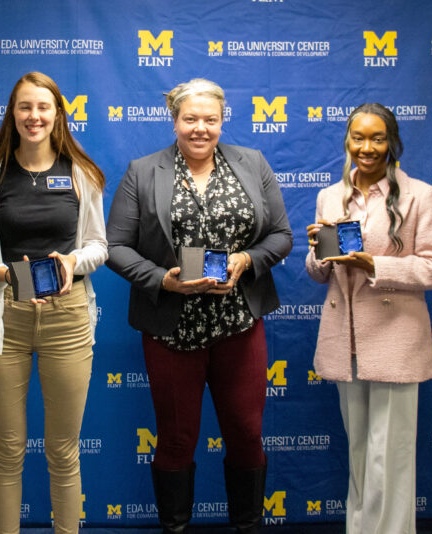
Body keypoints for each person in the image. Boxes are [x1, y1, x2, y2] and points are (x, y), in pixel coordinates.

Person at [106, 78, 292, 534]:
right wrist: (162, 281)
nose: (200, 129)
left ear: (222, 120)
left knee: (247, 434)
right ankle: (176, 527)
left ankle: (247, 525)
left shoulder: (253, 163)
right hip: (172, 330)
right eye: (190, 119)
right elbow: (114, 246)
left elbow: (282, 236)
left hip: (239, 324)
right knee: (176, 438)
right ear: (174, 121)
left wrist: (246, 260)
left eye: (210, 119)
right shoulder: (142, 171)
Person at [0, 71, 107, 534]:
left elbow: (100, 246)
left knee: (63, 450)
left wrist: (73, 262)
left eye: (43, 107)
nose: (34, 116)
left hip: (68, 317)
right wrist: (0, 274)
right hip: (7, 315)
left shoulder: (81, 175)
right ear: (13, 114)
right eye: (25, 107)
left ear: (58, 114)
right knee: (7, 449)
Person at [305, 103, 432, 534]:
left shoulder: (419, 194)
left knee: (391, 457)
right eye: (358, 138)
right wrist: (319, 252)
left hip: (396, 340)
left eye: (377, 138)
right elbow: (318, 274)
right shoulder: (329, 196)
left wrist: (376, 266)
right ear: (347, 141)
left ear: (393, 142)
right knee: (360, 456)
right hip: (345, 342)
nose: (366, 148)